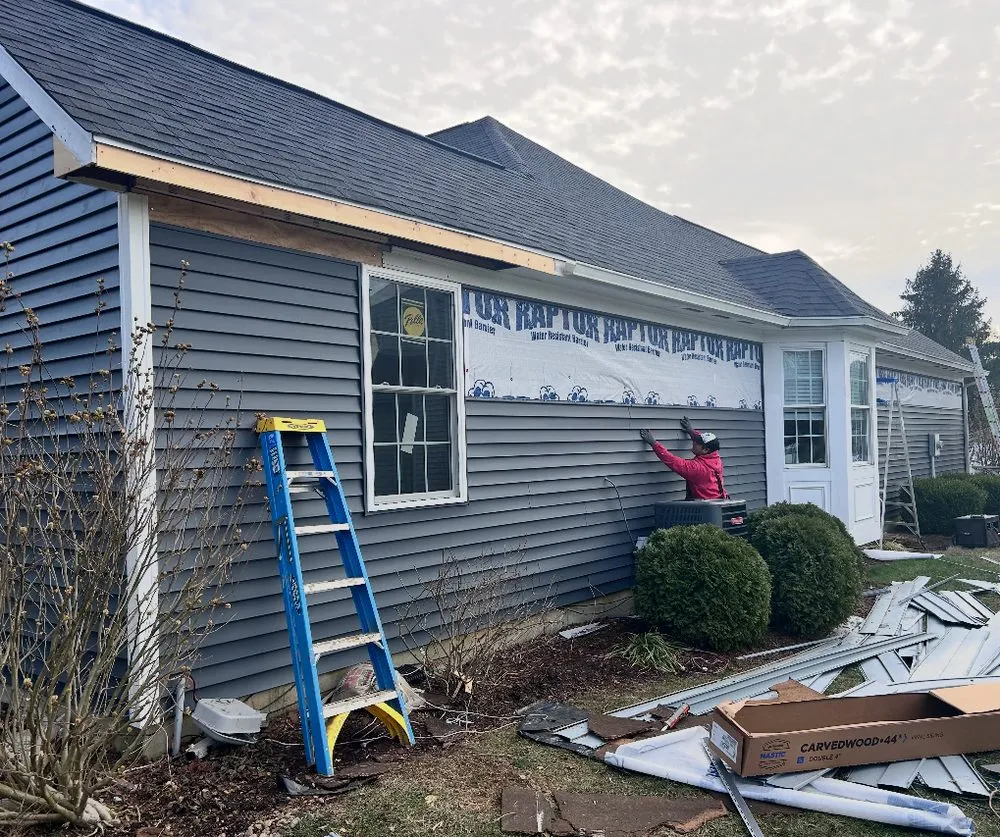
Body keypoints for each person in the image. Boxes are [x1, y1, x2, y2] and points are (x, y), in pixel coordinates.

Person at [639, 417, 728, 500]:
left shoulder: (697, 468)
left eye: (697, 443)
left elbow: (672, 460)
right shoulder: (715, 456)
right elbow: (703, 442)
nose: (694, 443)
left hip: (706, 507)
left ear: (705, 450)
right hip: (720, 500)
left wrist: (653, 443)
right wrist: (691, 431)